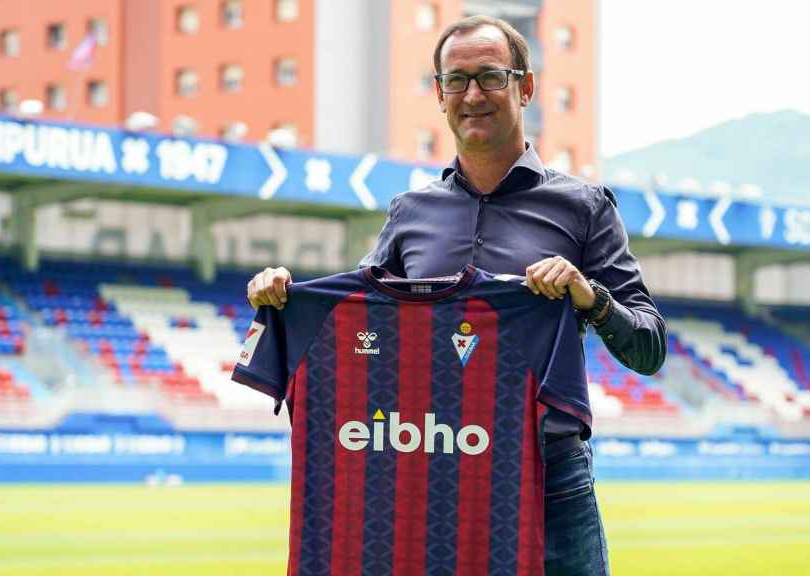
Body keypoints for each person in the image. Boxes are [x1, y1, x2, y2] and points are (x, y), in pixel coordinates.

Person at [247, 15, 666, 576]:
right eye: (457, 79)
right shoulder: (409, 213)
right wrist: (281, 298)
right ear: (439, 94)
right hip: (428, 472)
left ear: (526, 87)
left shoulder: (585, 207)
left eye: (491, 76)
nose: (473, 94)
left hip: (548, 476)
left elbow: (649, 346)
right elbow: (358, 330)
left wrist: (591, 299)